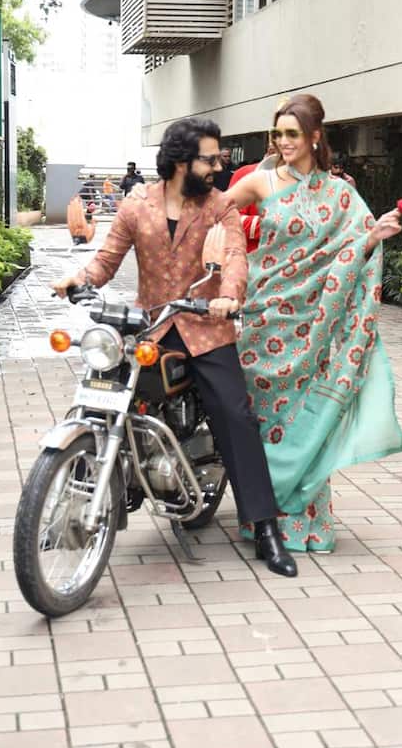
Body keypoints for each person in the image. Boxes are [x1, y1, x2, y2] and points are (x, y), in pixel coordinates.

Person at [53, 117, 297, 578]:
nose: (218, 165)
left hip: (207, 328)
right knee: (107, 396)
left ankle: (265, 527)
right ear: (182, 161)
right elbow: (107, 259)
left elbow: (234, 258)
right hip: (154, 329)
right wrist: (78, 279)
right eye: (210, 158)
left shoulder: (220, 206)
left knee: (235, 414)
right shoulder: (136, 205)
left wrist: (229, 296)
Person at [224, 93, 402, 553]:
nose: (284, 142)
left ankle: (305, 520)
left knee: (304, 419)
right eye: (278, 134)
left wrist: (373, 236)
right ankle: (261, 519)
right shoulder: (262, 183)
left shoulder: (341, 193)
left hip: (315, 327)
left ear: (314, 136)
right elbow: (214, 211)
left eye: (292, 134)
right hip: (265, 322)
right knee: (267, 421)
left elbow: (353, 248)